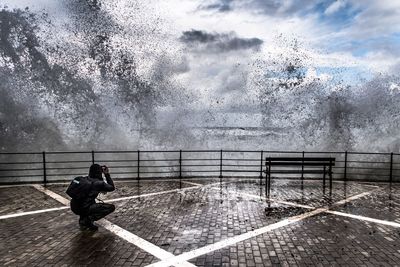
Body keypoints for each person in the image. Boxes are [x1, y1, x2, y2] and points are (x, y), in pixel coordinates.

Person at [69, 164, 116, 231]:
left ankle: (84, 220)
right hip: (85, 208)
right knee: (110, 207)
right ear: (99, 172)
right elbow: (112, 187)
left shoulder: (81, 179)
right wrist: (107, 174)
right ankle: (87, 220)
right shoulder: (99, 183)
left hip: (74, 206)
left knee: (89, 201)